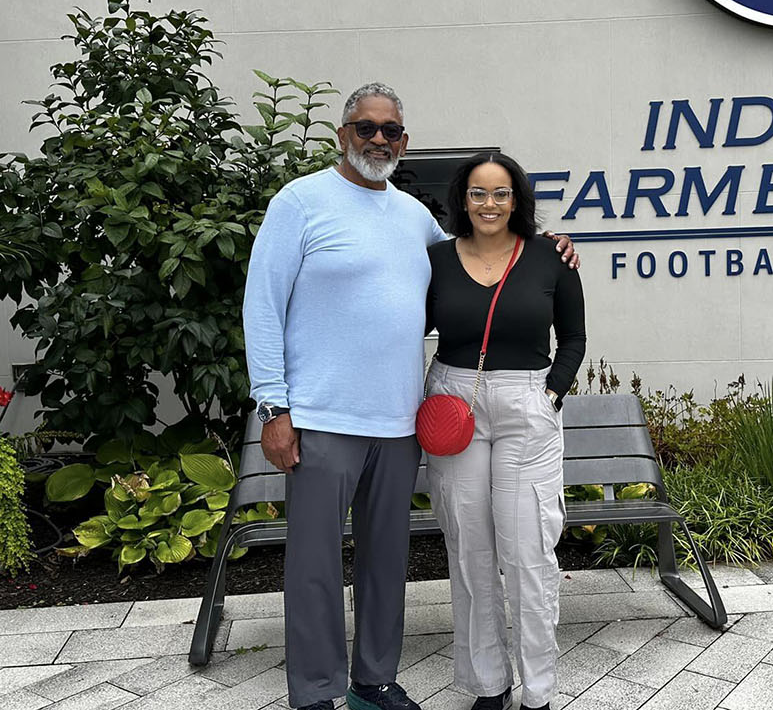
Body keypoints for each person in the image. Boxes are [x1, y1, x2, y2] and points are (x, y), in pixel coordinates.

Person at [242, 84, 578, 710]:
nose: (378, 139)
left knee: (385, 562)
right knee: (314, 566)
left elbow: (482, 255)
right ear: (343, 135)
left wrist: (549, 245)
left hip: (401, 423)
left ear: (405, 141)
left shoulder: (414, 217)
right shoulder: (301, 202)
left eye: (390, 130)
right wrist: (274, 407)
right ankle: (316, 692)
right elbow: (261, 308)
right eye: (365, 127)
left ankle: (374, 680)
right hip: (319, 418)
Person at [424, 153, 587, 710]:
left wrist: (551, 394)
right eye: (477, 193)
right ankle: (488, 688)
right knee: (469, 552)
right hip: (453, 402)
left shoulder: (550, 256)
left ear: (517, 199)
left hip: (526, 404)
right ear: (461, 200)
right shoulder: (437, 260)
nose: (489, 204)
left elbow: (574, 337)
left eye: (500, 193)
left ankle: (538, 692)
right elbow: (405, 322)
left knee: (528, 556)